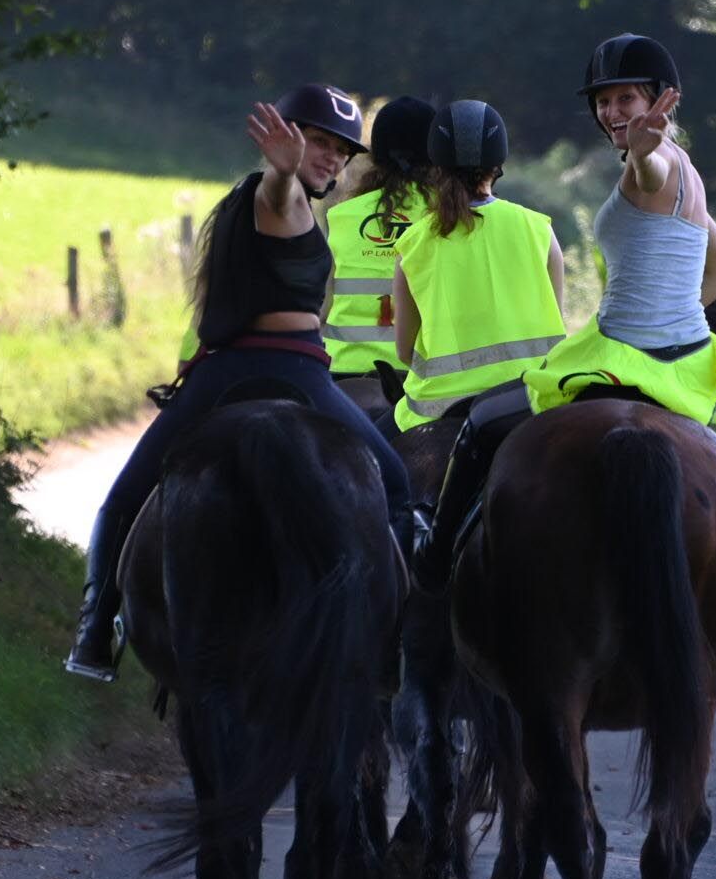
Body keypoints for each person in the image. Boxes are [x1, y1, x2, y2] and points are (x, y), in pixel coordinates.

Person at [411, 35, 716, 682]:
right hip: (683, 360)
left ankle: (431, 566)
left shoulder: (651, 164)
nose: (611, 111)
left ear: (657, 102)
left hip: (624, 356)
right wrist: (678, 304)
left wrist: (644, 152)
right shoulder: (688, 169)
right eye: (603, 101)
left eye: (626, 98)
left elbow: (648, 177)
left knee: (485, 421)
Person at [65, 85, 419, 681]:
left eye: (341, 150)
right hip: (297, 374)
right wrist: (283, 173)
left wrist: (290, 169)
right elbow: (278, 198)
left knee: (124, 498)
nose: (331, 158)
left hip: (222, 374)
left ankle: (96, 629)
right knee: (398, 487)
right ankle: (395, 645)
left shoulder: (242, 201)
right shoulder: (275, 195)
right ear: (284, 139)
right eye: (319, 142)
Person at [389, 100, 566, 432]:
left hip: (441, 409)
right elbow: (556, 323)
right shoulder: (538, 229)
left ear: (436, 165)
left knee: (375, 460)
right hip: (531, 402)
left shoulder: (413, 244)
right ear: (498, 164)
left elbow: (403, 351)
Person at [322, 96, 438, 379]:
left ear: (376, 155)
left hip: (343, 371)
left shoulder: (342, 216)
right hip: (419, 376)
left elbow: (322, 308)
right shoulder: (448, 216)